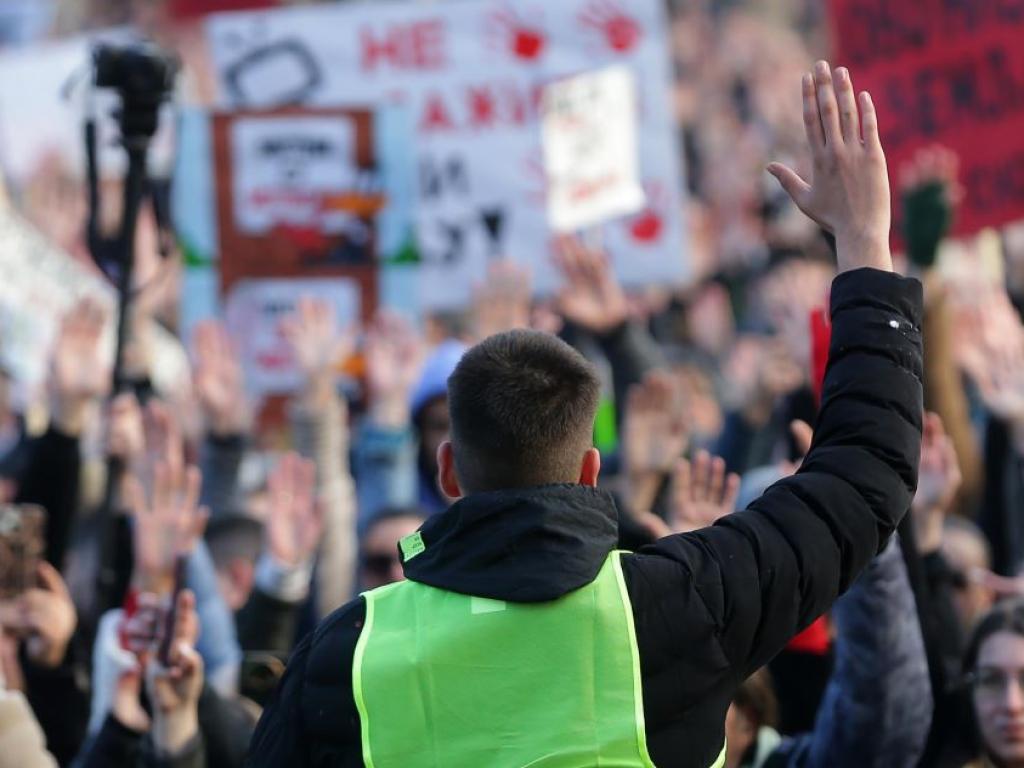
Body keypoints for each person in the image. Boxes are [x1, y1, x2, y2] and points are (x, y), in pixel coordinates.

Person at [246, 60, 923, 767]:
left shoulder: (346, 653)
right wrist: (864, 242)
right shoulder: (681, 607)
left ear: (449, 469)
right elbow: (864, 476)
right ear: (590, 469)